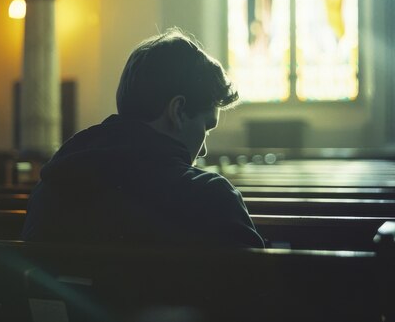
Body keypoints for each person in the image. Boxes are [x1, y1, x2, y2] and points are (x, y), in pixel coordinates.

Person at [22, 28, 265, 248]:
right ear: (178, 111)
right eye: (206, 126)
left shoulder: (50, 187)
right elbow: (260, 291)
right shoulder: (212, 198)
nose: (202, 151)